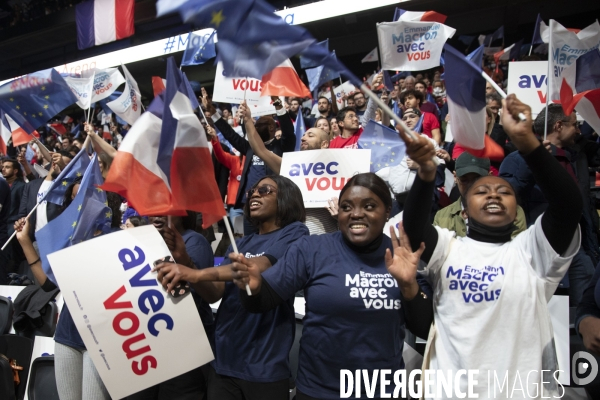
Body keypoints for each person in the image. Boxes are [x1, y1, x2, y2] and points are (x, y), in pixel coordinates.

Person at [400, 94, 582, 398]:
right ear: (465, 209)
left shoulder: (533, 252)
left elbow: (568, 205)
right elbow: (415, 227)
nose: (494, 195)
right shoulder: (448, 249)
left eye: (504, 192)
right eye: (482, 191)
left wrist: (527, 141)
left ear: (516, 207)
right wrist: (426, 173)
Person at [229, 173, 433, 399]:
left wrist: (408, 285)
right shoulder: (311, 249)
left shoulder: (401, 255)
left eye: (369, 206)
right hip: (318, 391)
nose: (356, 214)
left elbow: (425, 328)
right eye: (346, 207)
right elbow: (261, 302)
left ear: (387, 212)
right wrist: (253, 287)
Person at [153, 175, 309, 400]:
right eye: (253, 191)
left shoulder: (295, 233)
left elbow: (257, 266)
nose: (255, 194)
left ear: (286, 198)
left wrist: (194, 272)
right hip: (224, 360)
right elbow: (214, 292)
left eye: (265, 190)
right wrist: (184, 259)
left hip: (264, 365)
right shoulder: (243, 242)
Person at [500, 103, 599, 306]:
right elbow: (509, 195)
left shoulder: (577, 155)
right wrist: (533, 161)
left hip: (579, 246)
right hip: (541, 249)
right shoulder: (517, 159)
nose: (579, 130)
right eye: (575, 124)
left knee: (586, 305)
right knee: (545, 308)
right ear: (558, 126)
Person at [126, 212, 214, 400]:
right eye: (153, 212)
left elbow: (192, 293)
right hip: (149, 346)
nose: (157, 216)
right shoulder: (144, 243)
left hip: (185, 350)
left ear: (182, 214)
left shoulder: (194, 241)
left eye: (165, 212)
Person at [239, 102, 337, 235]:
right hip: (295, 239)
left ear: (324, 144)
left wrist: (340, 213)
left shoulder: (340, 167)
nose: (303, 138)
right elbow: (261, 150)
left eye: (310, 135)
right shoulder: (292, 166)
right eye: (303, 135)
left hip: (328, 237)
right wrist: (247, 121)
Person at [433, 153, 526, 238]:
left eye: (477, 180)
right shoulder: (442, 216)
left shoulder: (511, 212)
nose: (471, 186)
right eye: (464, 180)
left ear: (490, 176)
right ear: (455, 177)